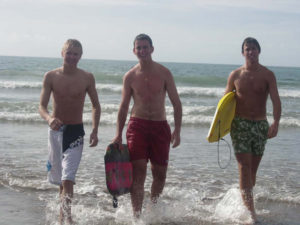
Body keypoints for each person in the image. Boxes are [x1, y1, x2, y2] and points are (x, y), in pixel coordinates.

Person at [112, 33, 182, 217]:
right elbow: (124, 106)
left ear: (152, 49)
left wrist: (178, 130)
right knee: (138, 172)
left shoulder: (164, 73)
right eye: (139, 48)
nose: (142, 50)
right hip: (137, 126)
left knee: (160, 174)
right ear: (134, 51)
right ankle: (137, 217)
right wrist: (118, 133)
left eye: (145, 47)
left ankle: (153, 209)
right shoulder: (130, 76)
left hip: (160, 127)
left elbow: (176, 103)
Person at [39, 39, 101, 224]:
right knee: (60, 179)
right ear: (62, 53)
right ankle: (61, 216)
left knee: (68, 178)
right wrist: (49, 119)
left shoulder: (87, 77)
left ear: (80, 56)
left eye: (76, 54)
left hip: (76, 132)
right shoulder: (50, 76)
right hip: (56, 132)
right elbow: (42, 106)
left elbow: (96, 106)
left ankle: (68, 218)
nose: (72, 57)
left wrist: (95, 130)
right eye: (69, 53)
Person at [224, 37, 281, 223]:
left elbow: (275, 100)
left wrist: (276, 122)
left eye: (254, 49)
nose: (251, 52)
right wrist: (220, 127)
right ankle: (251, 214)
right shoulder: (235, 75)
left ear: (259, 51)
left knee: (252, 171)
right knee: (244, 167)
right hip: (240, 125)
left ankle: (243, 198)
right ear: (243, 52)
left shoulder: (267, 75)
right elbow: (225, 103)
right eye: (247, 49)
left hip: (260, 125)